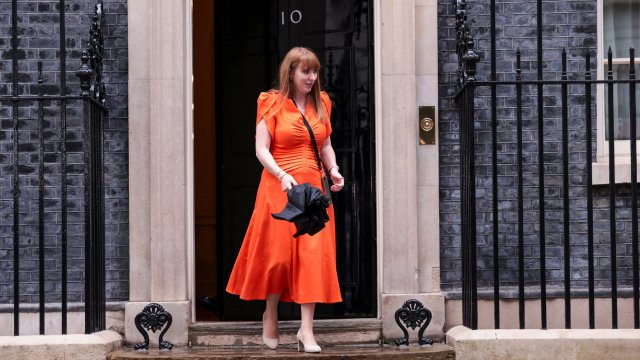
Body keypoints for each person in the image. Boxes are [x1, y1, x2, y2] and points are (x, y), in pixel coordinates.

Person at [225, 47, 345, 353]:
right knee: (278, 256)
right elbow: (261, 148)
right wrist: (281, 174)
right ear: (290, 72)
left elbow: (325, 143)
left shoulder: (323, 102)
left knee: (312, 256)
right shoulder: (271, 102)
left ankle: (306, 330)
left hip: (313, 189)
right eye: (306, 71)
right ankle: (271, 313)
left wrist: (333, 169)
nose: (312, 77)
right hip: (279, 186)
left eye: (315, 71)